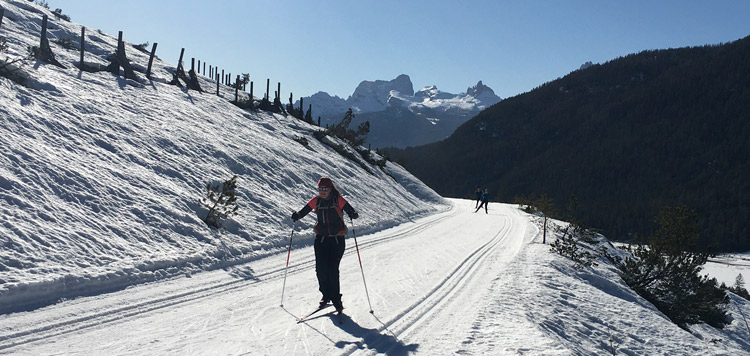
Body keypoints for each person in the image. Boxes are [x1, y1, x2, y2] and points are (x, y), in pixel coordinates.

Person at [291, 177, 358, 313]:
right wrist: (297, 215)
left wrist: (352, 213)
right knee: (320, 269)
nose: (322, 192)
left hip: (337, 240)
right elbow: (303, 212)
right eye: (320, 189)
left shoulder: (338, 199)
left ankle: (336, 299)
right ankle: (326, 295)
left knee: (332, 270)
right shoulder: (316, 201)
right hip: (321, 239)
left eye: (325, 189)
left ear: (330, 188)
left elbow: (349, 209)